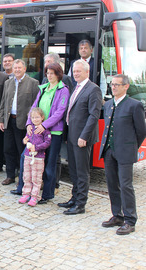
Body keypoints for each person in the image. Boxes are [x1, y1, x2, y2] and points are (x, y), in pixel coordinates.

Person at [99, 74, 146, 235]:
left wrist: (131, 147)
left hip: (125, 151)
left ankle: (130, 220)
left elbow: (141, 131)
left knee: (126, 185)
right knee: (112, 184)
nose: (114, 87)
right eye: (112, 85)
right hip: (109, 150)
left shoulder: (134, 105)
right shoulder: (109, 104)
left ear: (126, 86)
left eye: (117, 85)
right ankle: (117, 215)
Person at [58, 59, 102, 215]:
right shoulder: (75, 87)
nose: (76, 74)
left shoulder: (93, 89)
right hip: (72, 135)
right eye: (74, 71)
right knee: (73, 170)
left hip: (82, 138)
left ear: (87, 72)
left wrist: (84, 136)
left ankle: (80, 204)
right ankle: (74, 198)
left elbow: (93, 116)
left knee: (82, 172)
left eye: (79, 71)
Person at [24, 63, 70, 203]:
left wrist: (44, 125)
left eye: (52, 73)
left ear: (58, 74)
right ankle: (32, 191)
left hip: (53, 132)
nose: (49, 76)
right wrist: (29, 124)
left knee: (50, 164)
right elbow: (34, 108)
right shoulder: (43, 89)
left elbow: (60, 112)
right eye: (48, 73)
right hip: (37, 131)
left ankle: (48, 194)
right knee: (36, 162)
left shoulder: (63, 90)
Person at [0, 59, 39, 185]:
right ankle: (10, 175)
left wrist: (32, 123)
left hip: (24, 123)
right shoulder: (8, 83)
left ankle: (23, 177)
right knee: (8, 149)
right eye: (15, 68)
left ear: (24, 69)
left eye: (19, 68)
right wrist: (1, 119)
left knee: (22, 151)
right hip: (9, 121)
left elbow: (35, 105)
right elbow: (3, 102)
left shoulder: (33, 83)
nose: (17, 70)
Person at [18, 107, 51, 206]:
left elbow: (47, 143)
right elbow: (26, 138)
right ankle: (26, 194)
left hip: (38, 157)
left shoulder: (45, 131)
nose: (35, 119)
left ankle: (34, 196)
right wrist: (25, 140)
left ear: (42, 118)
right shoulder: (30, 128)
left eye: (37, 117)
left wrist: (36, 147)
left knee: (36, 178)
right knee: (27, 176)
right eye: (33, 117)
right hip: (28, 156)